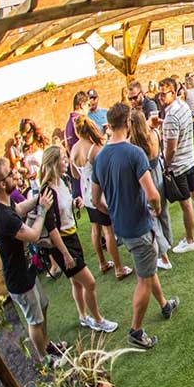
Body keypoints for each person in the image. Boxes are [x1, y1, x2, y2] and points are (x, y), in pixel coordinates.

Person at [91, 102, 180, 349]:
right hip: (139, 226)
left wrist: (114, 211)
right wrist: (157, 209)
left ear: (109, 125)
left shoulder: (99, 158)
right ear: (128, 122)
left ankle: (164, 305)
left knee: (148, 269)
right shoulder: (134, 154)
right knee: (144, 277)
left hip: (121, 226)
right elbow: (152, 194)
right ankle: (136, 330)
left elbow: (95, 200)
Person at [38, 146, 119, 333]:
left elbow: (63, 209)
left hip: (72, 236)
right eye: (63, 160)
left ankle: (83, 316)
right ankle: (98, 320)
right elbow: (51, 228)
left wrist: (75, 202)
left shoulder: (63, 181)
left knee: (76, 281)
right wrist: (65, 254)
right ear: (54, 163)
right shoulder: (47, 191)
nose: (66, 162)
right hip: (62, 243)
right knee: (89, 282)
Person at [0, 158, 60, 361]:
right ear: (2, 184)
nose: (15, 175)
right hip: (18, 280)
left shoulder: (4, 201)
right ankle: (44, 358)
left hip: (26, 270)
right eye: (10, 174)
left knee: (43, 305)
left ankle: (47, 344)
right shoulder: (4, 218)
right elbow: (34, 235)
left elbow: (19, 209)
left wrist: (37, 200)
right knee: (35, 320)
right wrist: (43, 209)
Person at [70, 117, 131, 279]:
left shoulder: (73, 149)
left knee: (95, 228)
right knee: (108, 230)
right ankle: (118, 268)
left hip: (86, 194)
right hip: (98, 194)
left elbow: (75, 174)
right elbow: (105, 172)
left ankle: (102, 262)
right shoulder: (94, 149)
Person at [162, 77, 194, 254]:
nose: (161, 97)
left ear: (174, 92)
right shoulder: (183, 106)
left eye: (164, 93)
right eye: (159, 93)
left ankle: (190, 239)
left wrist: (165, 164)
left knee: (186, 203)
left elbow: (171, 147)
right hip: (189, 159)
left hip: (178, 165)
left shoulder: (171, 115)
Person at [129, 110, 173, 270]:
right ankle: (168, 242)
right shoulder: (154, 133)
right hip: (159, 175)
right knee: (164, 211)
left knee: (152, 217)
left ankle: (164, 256)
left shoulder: (133, 144)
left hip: (146, 179)